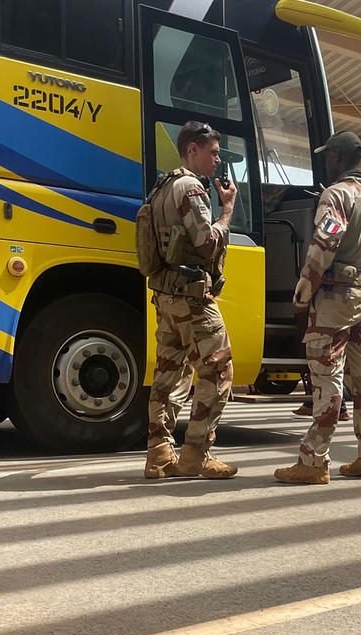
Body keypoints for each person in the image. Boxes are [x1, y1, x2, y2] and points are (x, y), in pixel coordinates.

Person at [274, 131, 361, 485]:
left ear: (340, 158)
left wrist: (303, 291)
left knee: (327, 379)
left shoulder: (337, 195)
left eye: (329, 157)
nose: (325, 163)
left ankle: (313, 460)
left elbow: (323, 246)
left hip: (331, 299)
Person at [143, 121, 238, 480]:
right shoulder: (191, 189)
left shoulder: (161, 187)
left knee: (168, 376)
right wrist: (227, 212)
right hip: (193, 300)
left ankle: (159, 455)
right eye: (213, 152)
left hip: (166, 298)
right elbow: (206, 243)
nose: (217, 160)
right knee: (218, 372)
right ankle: (196, 453)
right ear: (192, 150)